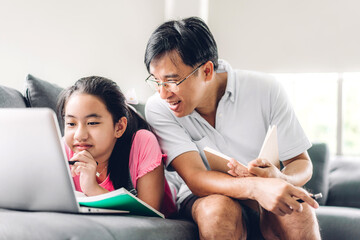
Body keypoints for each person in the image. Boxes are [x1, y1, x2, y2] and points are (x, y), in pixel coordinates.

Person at [144, 17, 321, 239]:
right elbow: (196, 178)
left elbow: (301, 163)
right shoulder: (158, 108)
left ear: (207, 71)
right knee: (217, 211)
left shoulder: (266, 90)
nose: (163, 93)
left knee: (299, 211)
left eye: (172, 81)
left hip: (267, 194)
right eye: (156, 81)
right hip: (205, 196)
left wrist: (280, 180)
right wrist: (256, 187)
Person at [57, 76, 177, 217]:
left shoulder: (142, 142)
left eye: (92, 123)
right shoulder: (64, 148)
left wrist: (93, 189)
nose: (79, 135)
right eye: (71, 123)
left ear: (119, 127)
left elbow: (149, 215)